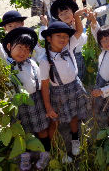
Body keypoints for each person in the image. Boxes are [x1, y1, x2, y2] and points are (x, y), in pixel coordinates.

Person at [0, 27, 51, 170]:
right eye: (19, 47)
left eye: (27, 49)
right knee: (23, 132)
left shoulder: (32, 63)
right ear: (9, 47)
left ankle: (46, 153)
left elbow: (40, 81)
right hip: (17, 104)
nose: (23, 52)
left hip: (35, 101)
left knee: (42, 129)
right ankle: (25, 157)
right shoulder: (6, 65)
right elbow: (0, 55)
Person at [39, 21, 90, 157]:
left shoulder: (68, 47)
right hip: (58, 93)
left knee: (74, 116)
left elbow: (79, 30)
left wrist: (78, 16)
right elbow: (44, 86)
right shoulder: (45, 60)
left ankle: (75, 139)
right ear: (49, 38)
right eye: (59, 36)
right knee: (55, 122)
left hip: (75, 87)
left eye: (66, 36)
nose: (63, 39)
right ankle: (55, 150)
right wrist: (48, 107)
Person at [50, 0, 88, 81]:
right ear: (58, 17)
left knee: (79, 75)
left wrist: (76, 28)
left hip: (77, 54)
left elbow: (83, 41)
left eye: (66, 12)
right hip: (65, 56)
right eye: (61, 14)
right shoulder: (60, 30)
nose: (65, 15)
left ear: (73, 11)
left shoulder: (79, 25)